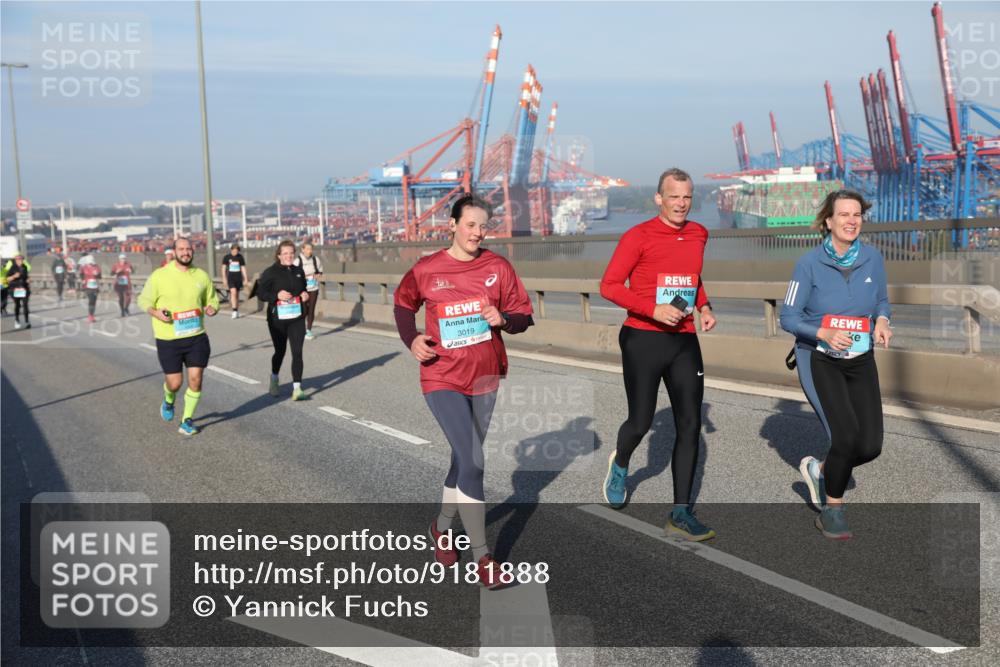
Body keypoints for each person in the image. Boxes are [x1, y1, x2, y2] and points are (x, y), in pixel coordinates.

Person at [394, 194, 534, 589]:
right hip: (441, 376)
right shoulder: (428, 269)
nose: (477, 232)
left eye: (483, 225)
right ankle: (483, 558)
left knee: (463, 459)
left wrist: (504, 318)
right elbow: (403, 305)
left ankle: (441, 527)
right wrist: (412, 339)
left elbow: (524, 317)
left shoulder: (497, 267)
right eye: (469, 224)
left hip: (486, 377)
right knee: (473, 460)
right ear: (452, 225)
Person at [599, 167, 718, 541]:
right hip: (643, 338)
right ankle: (620, 463)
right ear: (659, 198)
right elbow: (609, 285)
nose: (681, 204)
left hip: (683, 340)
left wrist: (704, 306)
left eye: (687, 197)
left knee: (689, 424)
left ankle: (680, 512)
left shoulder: (699, 233)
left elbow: (690, 277)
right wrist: (652, 310)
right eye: (674, 197)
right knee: (640, 422)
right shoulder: (638, 235)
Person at [780, 189, 892, 540]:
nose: (851, 221)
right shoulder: (809, 264)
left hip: (860, 358)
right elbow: (788, 317)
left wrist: (884, 320)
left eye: (856, 214)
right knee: (844, 436)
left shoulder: (873, 258)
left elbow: (882, 301)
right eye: (843, 214)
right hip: (819, 357)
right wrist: (822, 333)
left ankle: (821, 469)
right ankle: (833, 509)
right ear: (828, 221)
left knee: (870, 445)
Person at [137, 237, 220, 436]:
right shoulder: (160, 275)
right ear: (174, 252)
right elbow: (143, 300)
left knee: (196, 379)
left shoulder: (201, 276)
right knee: (175, 383)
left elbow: (213, 299)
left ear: (193, 251)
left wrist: (212, 308)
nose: (185, 252)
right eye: (181, 249)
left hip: (196, 337)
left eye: (189, 249)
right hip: (168, 339)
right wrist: (155, 312)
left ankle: (186, 421)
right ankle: (168, 400)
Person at [256, 240, 309, 400]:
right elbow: (260, 293)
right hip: (277, 319)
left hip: (297, 317)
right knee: (280, 351)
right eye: (285, 253)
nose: (288, 256)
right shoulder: (270, 272)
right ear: (279, 255)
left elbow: (303, 289)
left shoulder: (298, 271)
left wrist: (304, 295)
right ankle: (274, 377)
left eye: (291, 253)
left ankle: (297, 388)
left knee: (297, 352)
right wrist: (276, 296)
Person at [295, 242, 323, 339]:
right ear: (302, 249)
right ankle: (300, 329)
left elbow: (320, 271)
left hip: (313, 288)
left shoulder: (316, 260)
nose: (309, 251)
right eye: (307, 249)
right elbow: (293, 275)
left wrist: (318, 275)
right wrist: (303, 277)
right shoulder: (297, 261)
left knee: (311, 310)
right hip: (302, 290)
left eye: (311, 249)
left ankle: (309, 331)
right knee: (303, 311)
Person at [221, 244, 248, 319]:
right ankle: (234, 311)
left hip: (238, 278)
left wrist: (245, 278)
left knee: (237, 295)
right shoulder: (227, 257)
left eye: (237, 250)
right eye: (234, 250)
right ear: (231, 250)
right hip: (230, 278)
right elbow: (223, 268)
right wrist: (224, 278)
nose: (235, 252)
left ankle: (236, 310)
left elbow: (243, 268)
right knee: (233, 292)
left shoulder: (240, 257)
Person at [6, 254, 31, 329]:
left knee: (25, 305)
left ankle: (27, 321)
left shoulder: (24, 267)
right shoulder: (12, 268)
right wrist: (14, 276)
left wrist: (28, 280)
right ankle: (17, 320)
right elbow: (7, 279)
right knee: (17, 305)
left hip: (24, 288)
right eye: (20, 260)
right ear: (16, 260)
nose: (21, 261)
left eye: (22, 259)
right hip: (16, 289)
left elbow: (26, 276)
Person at [78, 255, 102, 323]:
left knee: (94, 301)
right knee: (91, 300)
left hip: (95, 286)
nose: (90, 264)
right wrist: (82, 279)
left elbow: (100, 277)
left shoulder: (96, 267)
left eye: (91, 263)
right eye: (89, 263)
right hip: (87, 286)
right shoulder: (84, 267)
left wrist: (97, 274)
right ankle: (90, 316)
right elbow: (81, 274)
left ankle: (92, 315)